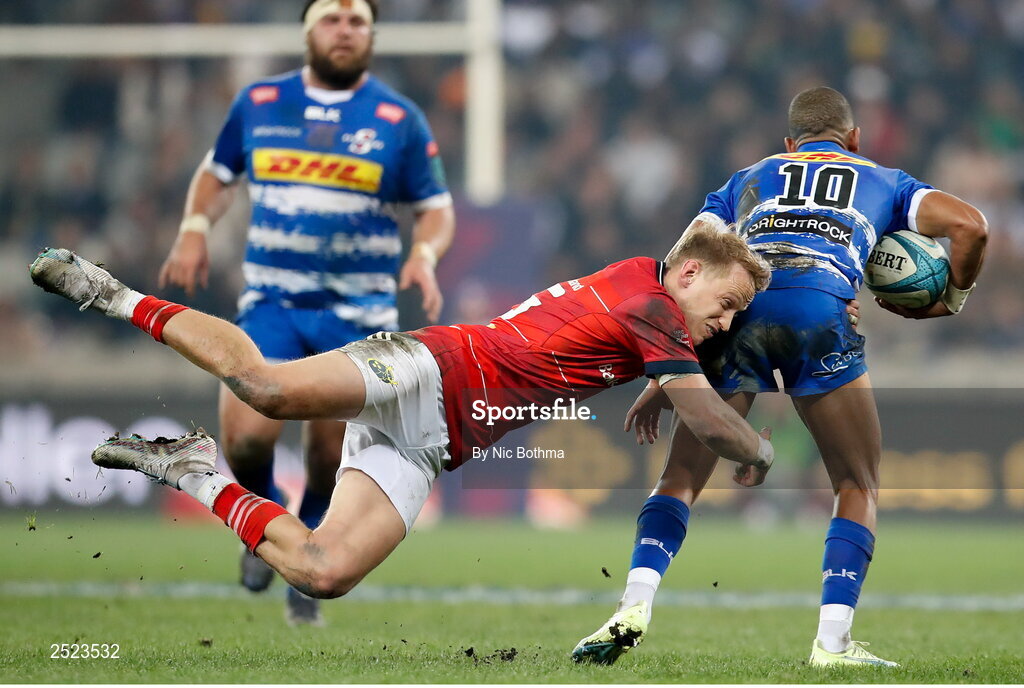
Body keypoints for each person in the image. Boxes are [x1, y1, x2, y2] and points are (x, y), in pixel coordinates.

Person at [30, 222, 774, 610]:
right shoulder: (651, 306)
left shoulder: (647, 293)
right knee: (267, 389)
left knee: (322, 574)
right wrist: (760, 453)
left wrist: (659, 381)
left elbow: (672, 359)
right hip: (429, 369)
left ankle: (190, 468)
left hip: (434, 442)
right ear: (688, 273)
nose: (727, 321)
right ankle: (111, 294)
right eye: (727, 303)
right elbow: (708, 421)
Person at [573, 86, 988, 668]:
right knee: (857, 484)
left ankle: (632, 605)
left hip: (740, 308)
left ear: (789, 145)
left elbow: (681, 269)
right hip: (820, 307)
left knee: (680, 481)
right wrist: (952, 299)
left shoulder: (749, 177)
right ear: (855, 140)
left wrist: (665, 369)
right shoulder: (885, 180)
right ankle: (833, 644)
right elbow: (971, 227)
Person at [156, 0, 455, 624]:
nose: (344, 31)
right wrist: (191, 228)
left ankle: (308, 543)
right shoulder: (260, 103)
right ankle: (263, 524)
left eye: (357, 22)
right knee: (243, 437)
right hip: (273, 304)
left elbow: (435, 206)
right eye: (331, 19)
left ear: (372, 36)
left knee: (327, 456)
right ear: (307, 30)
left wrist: (424, 253)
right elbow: (216, 176)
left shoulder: (399, 118)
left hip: (357, 314)